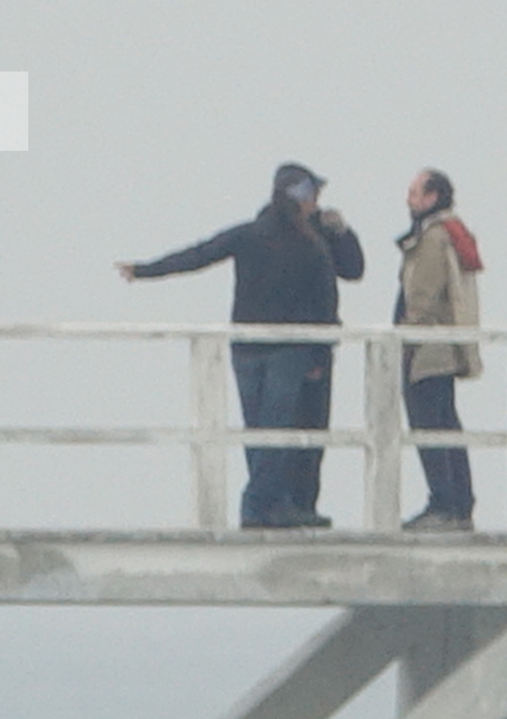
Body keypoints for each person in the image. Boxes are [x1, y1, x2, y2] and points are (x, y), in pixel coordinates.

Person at [118, 163, 364, 529]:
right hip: (289, 350)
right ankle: (261, 507)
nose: (318, 203)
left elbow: (199, 255)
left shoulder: (261, 234)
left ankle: (273, 507)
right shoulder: (306, 242)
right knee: (276, 432)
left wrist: (144, 271)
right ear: (299, 197)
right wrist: (321, 350)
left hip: (249, 350)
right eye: (313, 194)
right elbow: (328, 296)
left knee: (263, 433)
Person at [394, 168, 484, 533]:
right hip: (445, 347)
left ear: (432, 198)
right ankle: (459, 502)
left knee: (429, 423)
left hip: (428, 349)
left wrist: (405, 337)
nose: (409, 199)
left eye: (414, 192)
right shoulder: (454, 233)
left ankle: (444, 503)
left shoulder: (432, 238)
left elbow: (423, 298)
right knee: (446, 421)